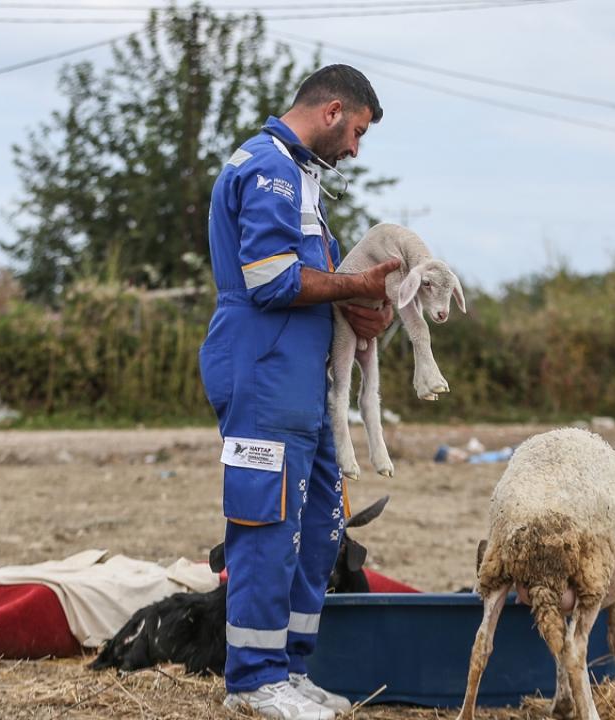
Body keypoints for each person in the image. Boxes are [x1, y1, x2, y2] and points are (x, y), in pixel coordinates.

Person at [199, 65, 398, 720]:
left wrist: (370, 308)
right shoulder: (267, 169)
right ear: (333, 110)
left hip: (307, 382)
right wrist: (356, 289)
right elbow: (272, 280)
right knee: (266, 522)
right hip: (260, 369)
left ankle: (291, 668)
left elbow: (324, 282)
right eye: (358, 133)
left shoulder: (303, 178)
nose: (356, 150)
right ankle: (253, 682)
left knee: (320, 527)